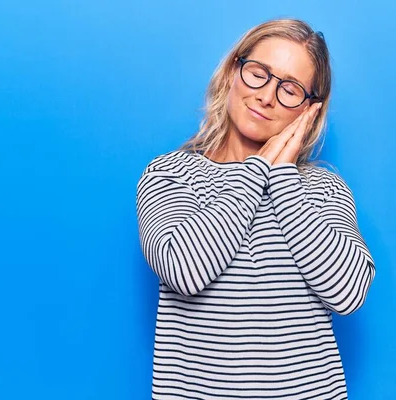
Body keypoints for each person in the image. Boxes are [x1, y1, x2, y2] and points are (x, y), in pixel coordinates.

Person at [136, 18, 376, 400]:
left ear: (310, 110)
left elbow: (348, 293)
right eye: (258, 74)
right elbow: (183, 269)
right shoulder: (171, 174)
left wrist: (282, 178)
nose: (267, 96)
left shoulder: (323, 189)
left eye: (291, 89)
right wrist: (256, 170)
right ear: (234, 70)